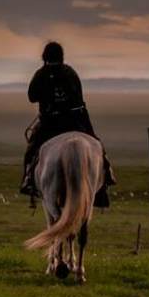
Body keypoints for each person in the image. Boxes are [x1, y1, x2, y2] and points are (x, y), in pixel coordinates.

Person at [19, 41, 116, 207]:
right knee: (96, 144)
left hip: (51, 122)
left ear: (44, 57)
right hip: (75, 120)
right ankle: (106, 179)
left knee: (32, 149)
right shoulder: (70, 72)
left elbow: (32, 97)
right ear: (61, 56)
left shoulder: (41, 73)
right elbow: (78, 95)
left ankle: (28, 180)